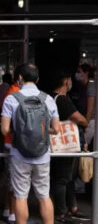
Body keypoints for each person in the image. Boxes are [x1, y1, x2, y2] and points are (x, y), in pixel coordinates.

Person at [1, 64, 60, 224]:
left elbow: (5, 130)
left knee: (21, 196)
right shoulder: (48, 99)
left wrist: (22, 131)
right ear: (38, 79)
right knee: (44, 196)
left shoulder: (11, 99)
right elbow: (56, 129)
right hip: (42, 155)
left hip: (19, 155)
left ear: (19, 78)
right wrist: (40, 131)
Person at [50, 70, 88, 223]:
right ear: (66, 81)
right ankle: (62, 212)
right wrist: (85, 122)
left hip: (58, 144)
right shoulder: (62, 100)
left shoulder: (50, 97)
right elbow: (79, 119)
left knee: (68, 178)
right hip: (65, 146)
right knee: (62, 179)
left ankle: (72, 208)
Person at [1, 67, 22, 224]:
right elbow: (7, 127)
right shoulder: (15, 94)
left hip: (10, 142)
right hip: (14, 143)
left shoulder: (11, 92)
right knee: (15, 181)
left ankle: (8, 209)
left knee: (9, 178)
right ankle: (14, 214)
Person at [75, 63, 95, 147]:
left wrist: (86, 124)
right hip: (84, 120)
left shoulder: (90, 86)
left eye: (79, 72)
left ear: (86, 73)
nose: (77, 74)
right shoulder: (82, 86)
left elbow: (90, 109)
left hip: (90, 121)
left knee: (84, 144)